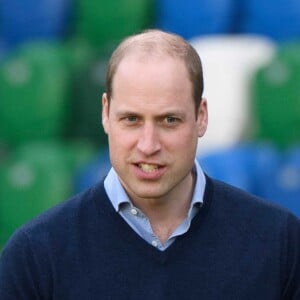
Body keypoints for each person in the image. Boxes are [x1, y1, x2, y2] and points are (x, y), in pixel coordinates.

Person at [0, 29, 299, 300]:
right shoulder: (35, 255)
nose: (148, 144)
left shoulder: (279, 241)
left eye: (169, 120)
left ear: (201, 116)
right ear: (105, 113)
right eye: (131, 119)